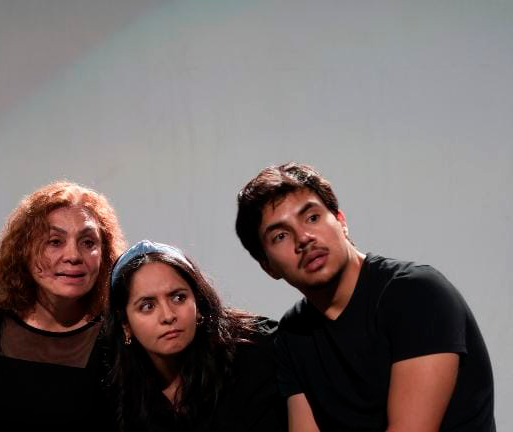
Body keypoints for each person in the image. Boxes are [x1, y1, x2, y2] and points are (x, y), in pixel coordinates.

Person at [235, 162, 495, 431]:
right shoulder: (293, 334)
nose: (303, 238)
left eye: (312, 218)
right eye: (280, 236)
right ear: (268, 267)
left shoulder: (417, 294)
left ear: (341, 221)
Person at [0, 181, 126, 432]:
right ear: (24, 249)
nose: (73, 256)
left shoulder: (118, 329)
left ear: (104, 254)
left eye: (88, 243)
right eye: (55, 241)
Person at [105, 239, 286, 432]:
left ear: (198, 304)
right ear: (125, 324)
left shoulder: (260, 350)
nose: (168, 316)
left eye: (178, 297)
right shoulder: (117, 399)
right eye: (147, 306)